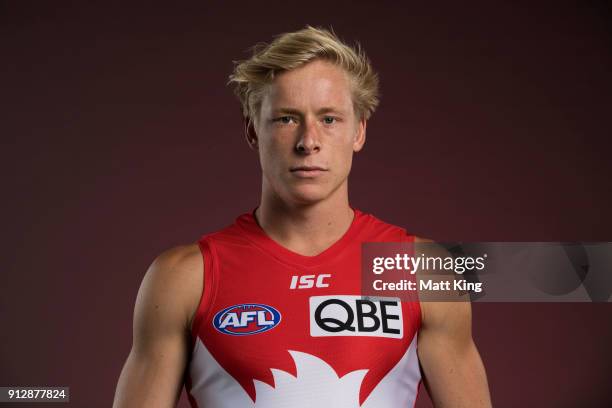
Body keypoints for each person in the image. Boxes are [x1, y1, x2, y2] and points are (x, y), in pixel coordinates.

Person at [113, 26, 492, 408]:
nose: (308, 141)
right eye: (286, 119)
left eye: (329, 119)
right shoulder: (185, 276)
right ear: (252, 130)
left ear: (358, 131)